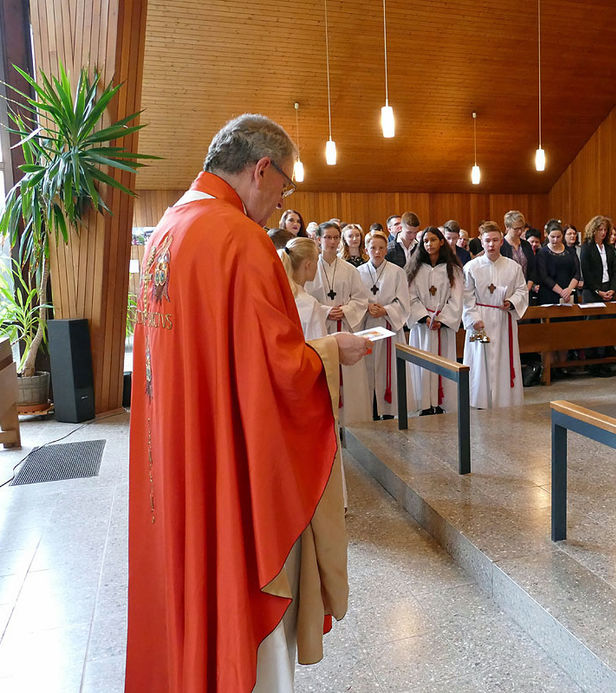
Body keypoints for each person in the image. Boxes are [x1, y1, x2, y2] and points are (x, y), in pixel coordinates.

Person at [126, 113, 370, 693]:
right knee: (236, 589)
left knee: (186, 578)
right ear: (262, 169)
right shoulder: (239, 239)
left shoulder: (168, 227)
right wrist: (334, 350)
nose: (281, 200)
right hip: (225, 466)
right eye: (283, 186)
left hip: (178, 454)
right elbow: (279, 369)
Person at [308, 221, 373, 425]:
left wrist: (344, 311)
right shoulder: (310, 267)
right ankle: (327, 423)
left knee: (350, 377)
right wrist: (326, 311)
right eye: (327, 237)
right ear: (318, 240)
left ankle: (351, 422)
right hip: (321, 330)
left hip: (345, 327)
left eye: (336, 237)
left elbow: (361, 299)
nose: (332, 242)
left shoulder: (349, 269)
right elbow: (303, 299)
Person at [462, 221, 529, 408]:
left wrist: (512, 302)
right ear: (481, 242)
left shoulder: (513, 267)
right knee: (478, 357)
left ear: (501, 242)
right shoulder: (471, 267)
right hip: (479, 320)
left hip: (502, 319)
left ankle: (504, 400)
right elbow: (466, 297)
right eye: (487, 241)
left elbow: (522, 291)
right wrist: (473, 319)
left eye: (495, 240)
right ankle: (478, 399)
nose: (491, 244)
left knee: (503, 358)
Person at [406, 227, 463, 415]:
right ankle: (425, 404)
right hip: (423, 326)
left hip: (442, 327)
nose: (429, 244)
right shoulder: (414, 269)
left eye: (432, 240)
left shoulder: (453, 269)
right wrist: (425, 317)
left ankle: (442, 402)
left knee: (443, 362)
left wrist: (443, 319)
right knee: (422, 365)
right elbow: (410, 297)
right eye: (425, 241)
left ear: (441, 242)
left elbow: (457, 299)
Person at [359, 230, 410, 420]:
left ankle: (389, 412)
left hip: (389, 326)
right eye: (373, 248)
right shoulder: (358, 272)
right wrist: (367, 306)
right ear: (366, 250)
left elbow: (404, 302)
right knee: (368, 369)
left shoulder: (397, 272)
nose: (377, 252)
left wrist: (386, 310)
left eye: (381, 248)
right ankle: (371, 409)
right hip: (367, 326)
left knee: (388, 370)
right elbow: (354, 300)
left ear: (386, 250)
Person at [279, 237, 326, 339]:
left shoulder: (277, 295)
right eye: (317, 261)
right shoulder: (309, 304)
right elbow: (320, 346)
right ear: (308, 265)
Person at [536, 222, 580, 305]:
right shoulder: (542, 253)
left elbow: (577, 274)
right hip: (550, 294)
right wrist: (561, 292)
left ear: (562, 236)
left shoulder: (570, 251)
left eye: (558, 237)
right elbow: (544, 277)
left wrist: (569, 290)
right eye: (552, 237)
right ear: (547, 235)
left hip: (569, 293)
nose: (555, 240)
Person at [580, 215, 616, 303]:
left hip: (608, 289)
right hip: (592, 291)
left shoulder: (609, 248)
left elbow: (615, 270)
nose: (603, 232)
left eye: (605, 230)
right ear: (593, 230)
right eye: (600, 230)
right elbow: (586, 272)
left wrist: (613, 289)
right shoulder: (587, 247)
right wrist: (598, 291)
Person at [500, 210, 538, 299]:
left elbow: (533, 269)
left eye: (522, 228)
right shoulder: (501, 245)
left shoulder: (526, 245)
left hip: (526, 290)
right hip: (507, 293)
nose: (520, 231)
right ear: (507, 227)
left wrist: (526, 289)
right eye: (516, 229)